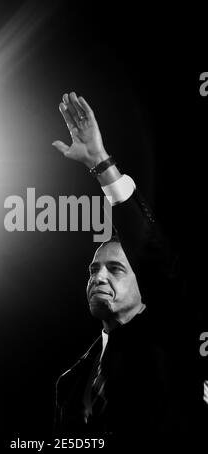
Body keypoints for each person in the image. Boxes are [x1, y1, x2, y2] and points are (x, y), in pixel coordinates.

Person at [52, 92, 200, 440]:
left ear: (144, 283)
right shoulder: (70, 382)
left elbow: (150, 251)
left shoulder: (175, 338)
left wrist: (100, 162)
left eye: (116, 269)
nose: (98, 276)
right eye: (93, 270)